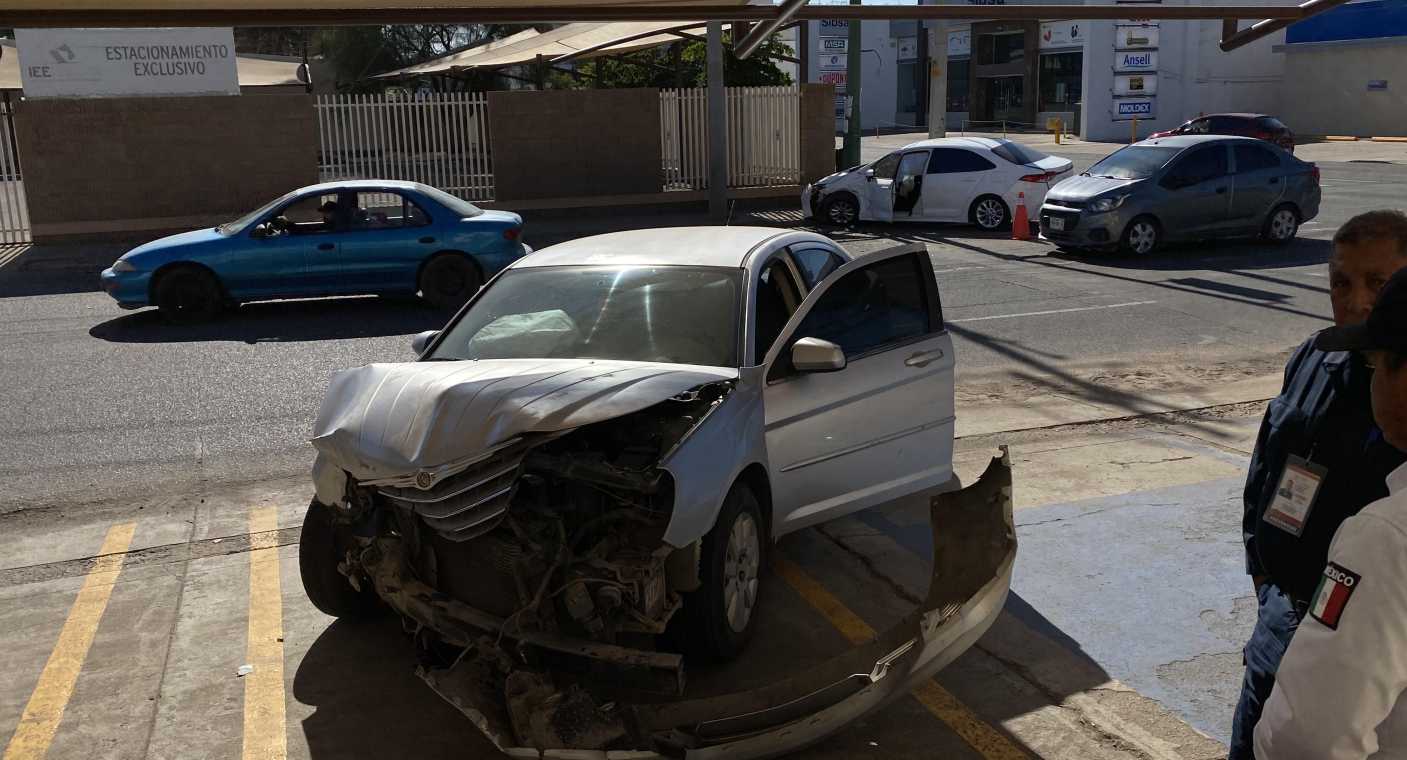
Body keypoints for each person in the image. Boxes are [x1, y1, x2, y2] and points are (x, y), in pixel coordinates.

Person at [1231, 210, 1407, 758]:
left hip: (1365, 639)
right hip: (1283, 614)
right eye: (1340, 282)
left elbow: (1317, 739)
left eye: (1378, 283)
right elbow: (1265, 468)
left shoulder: (1388, 533)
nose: (1355, 301)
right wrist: (1262, 573)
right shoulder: (1314, 357)